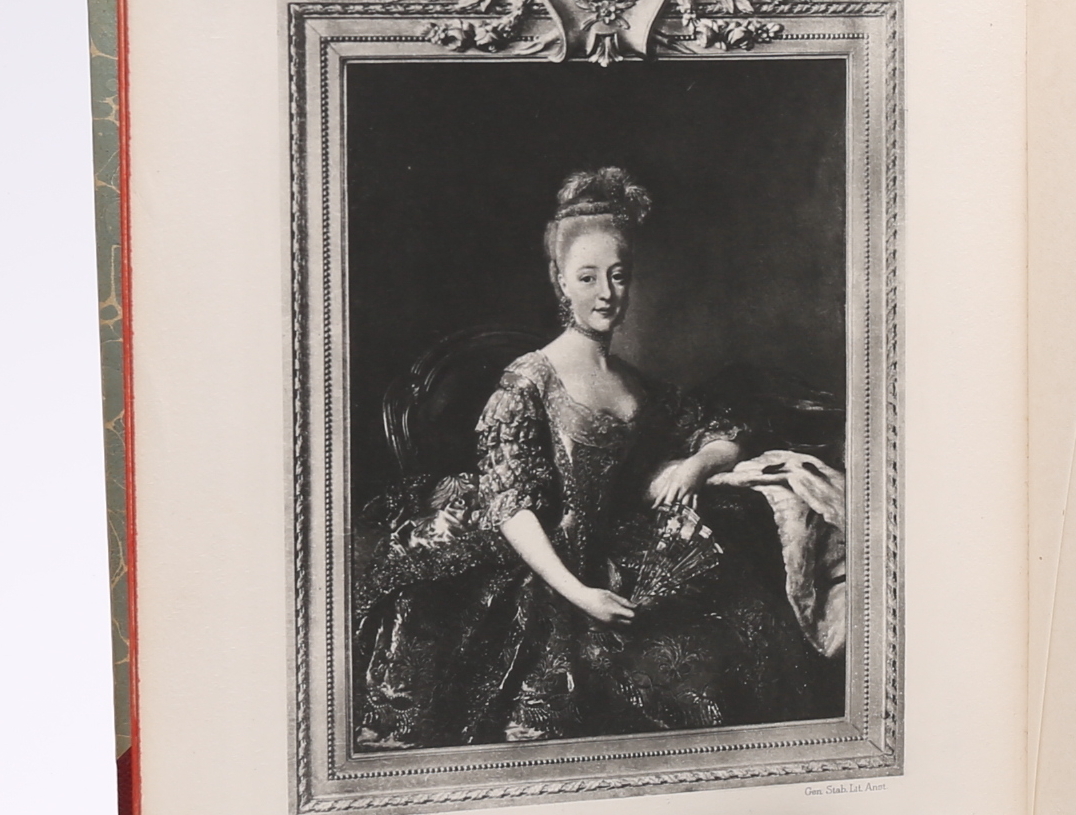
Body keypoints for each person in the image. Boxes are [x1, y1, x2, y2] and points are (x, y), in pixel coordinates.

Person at [354, 168, 842, 751]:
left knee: (733, 641)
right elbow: (510, 506)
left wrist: (695, 466)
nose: (606, 293)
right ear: (560, 281)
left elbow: (723, 430)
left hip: (613, 551)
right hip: (534, 561)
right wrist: (579, 593)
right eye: (588, 277)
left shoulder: (633, 382)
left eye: (618, 275)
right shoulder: (528, 380)